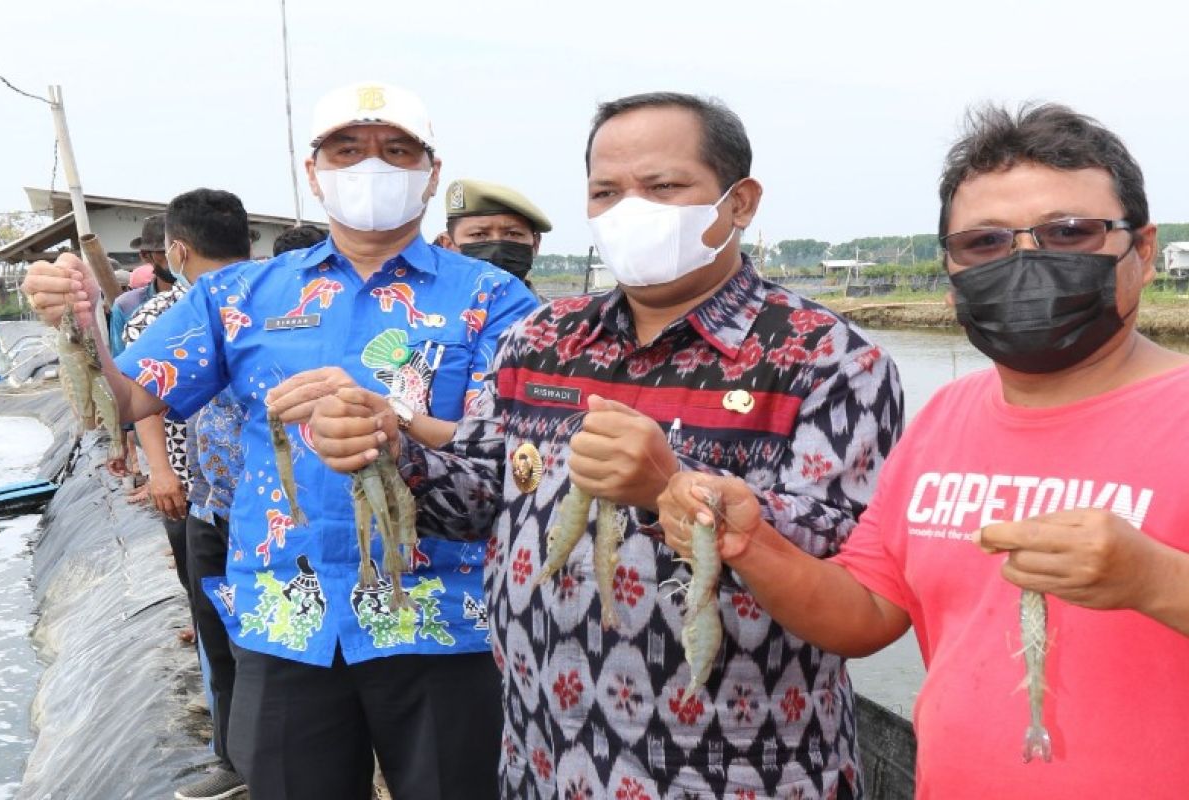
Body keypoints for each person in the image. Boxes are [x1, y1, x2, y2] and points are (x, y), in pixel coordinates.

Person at [309, 92, 904, 798]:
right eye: (606, 191)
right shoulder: (539, 341)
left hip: (737, 769)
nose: (631, 209)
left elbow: (851, 583)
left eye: (663, 187)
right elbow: (478, 496)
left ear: (739, 203)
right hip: (544, 756)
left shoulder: (828, 361)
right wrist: (389, 446)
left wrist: (670, 490)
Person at [656, 103, 1189, 799]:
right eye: (985, 243)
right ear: (951, 272)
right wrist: (750, 542)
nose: (1025, 260)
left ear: (1142, 251)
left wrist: (1154, 579)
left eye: (1069, 232)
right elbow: (865, 613)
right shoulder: (949, 412)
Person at [22, 81, 537, 800]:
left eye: (396, 151)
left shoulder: (494, 299)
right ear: (313, 172)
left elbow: (513, 446)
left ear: (430, 173)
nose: (371, 167)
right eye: (347, 150)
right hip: (284, 618)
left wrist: (400, 423)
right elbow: (133, 396)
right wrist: (78, 324)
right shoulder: (238, 295)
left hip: (441, 621)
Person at [135, 188, 252, 800]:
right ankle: (234, 759)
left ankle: (255, 760)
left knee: (252, 648)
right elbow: (139, 396)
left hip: (261, 513)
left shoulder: (268, 301)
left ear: (176, 249)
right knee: (221, 636)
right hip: (210, 501)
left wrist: (159, 471)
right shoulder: (171, 314)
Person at [435, 178, 551, 293]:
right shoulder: (427, 310)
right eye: (478, 234)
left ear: (535, 244)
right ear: (448, 245)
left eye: (512, 234)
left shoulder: (556, 312)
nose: (497, 249)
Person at [110, 214, 175, 356]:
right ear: (145, 256)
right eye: (163, 252)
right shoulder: (126, 306)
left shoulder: (206, 299)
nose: (173, 258)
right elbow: (120, 363)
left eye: (178, 250)